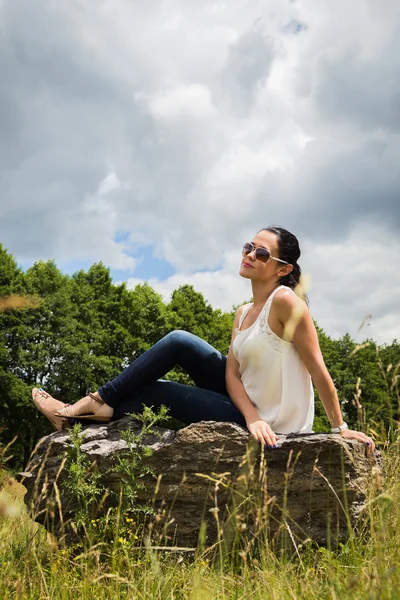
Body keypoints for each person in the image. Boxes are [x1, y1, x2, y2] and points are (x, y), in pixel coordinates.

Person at [32, 226, 375, 454]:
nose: (250, 255)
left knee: (156, 390)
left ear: (283, 269)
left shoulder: (286, 301)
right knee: (180, 340)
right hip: (246, 408)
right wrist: (249, 413)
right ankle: (97, 402)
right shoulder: (242, 312)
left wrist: (339, 428)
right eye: (248, 248)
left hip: (270, 423)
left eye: (261, 254)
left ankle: (78, 414)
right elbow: (232, 376)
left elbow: (318, 369)